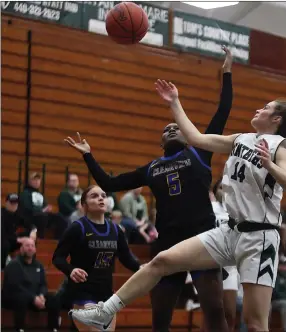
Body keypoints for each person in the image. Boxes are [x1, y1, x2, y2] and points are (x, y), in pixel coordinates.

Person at [69, 74, 286, 332]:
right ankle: (105, 312)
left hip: (259, 236)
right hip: (229, 231)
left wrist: (270, 164)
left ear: (276, 119)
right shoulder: (240, 139)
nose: (260, 109)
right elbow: (196, 137)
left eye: (266, 108)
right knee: (161, 261)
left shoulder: (279, 145)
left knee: (256, 323)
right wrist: (174, 102)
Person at [67, 47, 234, 332]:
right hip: (167, 243)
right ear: (161, 143)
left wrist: (227, 72)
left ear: (186, 134)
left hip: (203, 239)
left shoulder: (200, 153)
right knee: (160, 318)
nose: (171, 128)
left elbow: (223, 109)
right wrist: (87, 155)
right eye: (166, 128)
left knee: (215, 312)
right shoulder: (151, 168)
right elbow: (109, 183)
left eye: (175, 126)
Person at [52, 185, 141, 331]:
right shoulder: (77, 228)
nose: (101, 198)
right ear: (84, 205)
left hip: (106, 295)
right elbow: (58, 258)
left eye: (103, 195)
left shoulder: (115, 230)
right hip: (83, 293)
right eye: (94, 196)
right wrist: (71, 269)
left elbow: (126, 258)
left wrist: (141, 268)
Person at [2, 238, 61, 332]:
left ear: (35, 249)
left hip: (35, 298)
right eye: (27, 246)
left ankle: (54, 328)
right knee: (20, 298)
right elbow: (16, 287)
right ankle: (20, 329)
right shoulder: (14, 264)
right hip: (14, 298)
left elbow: (43, 284)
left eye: (32, 246)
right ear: (21, 249)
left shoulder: (39, 265)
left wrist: (41, 295)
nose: (30, 248)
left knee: (54, 298)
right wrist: (33, 298)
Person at [210, 177, 240, 331]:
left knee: (230, 313)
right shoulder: (210, 207)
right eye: (221, 187)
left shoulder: (237, 211)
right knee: (211, 315)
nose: (224, 191)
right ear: (215, 192)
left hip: (230, 266)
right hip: (211, 263)